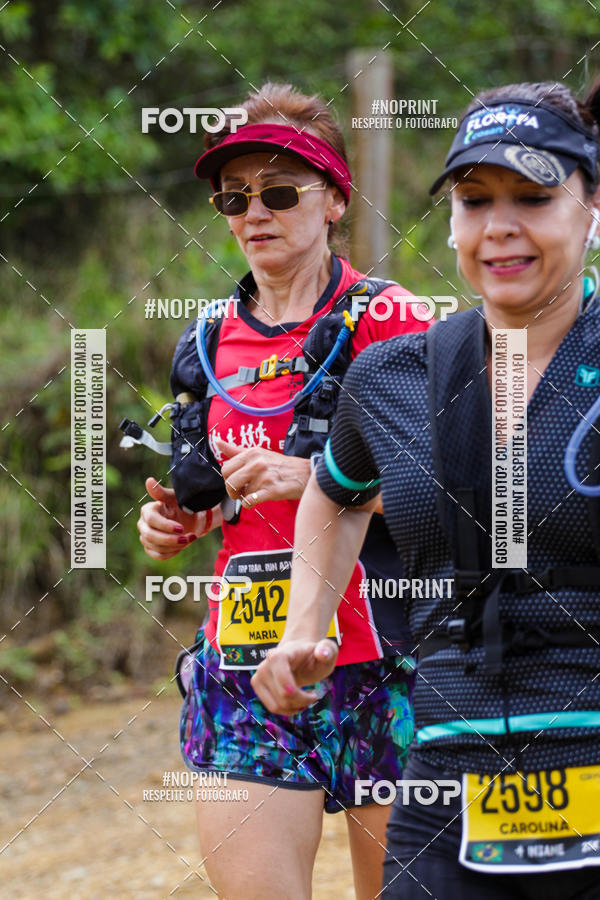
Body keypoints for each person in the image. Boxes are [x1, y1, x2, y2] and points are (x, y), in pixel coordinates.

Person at [251, 79, 600, 899]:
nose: (500, 227)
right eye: (475, 200)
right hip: (449, 788)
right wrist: (303, 625)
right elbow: (332, 495)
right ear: (450, 222)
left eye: (535, 196)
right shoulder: (393, 377)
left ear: (592, 208)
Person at [137, 82, 428, 900]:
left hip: (386, 660)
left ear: (334, 198)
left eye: (280, 191)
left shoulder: (392, 319)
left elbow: (451, 489)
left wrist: (320, 481)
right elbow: (209, 488)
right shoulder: (202, 340)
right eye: (234, 196)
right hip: (246, 663)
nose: (254, 212)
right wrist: (174, 521)